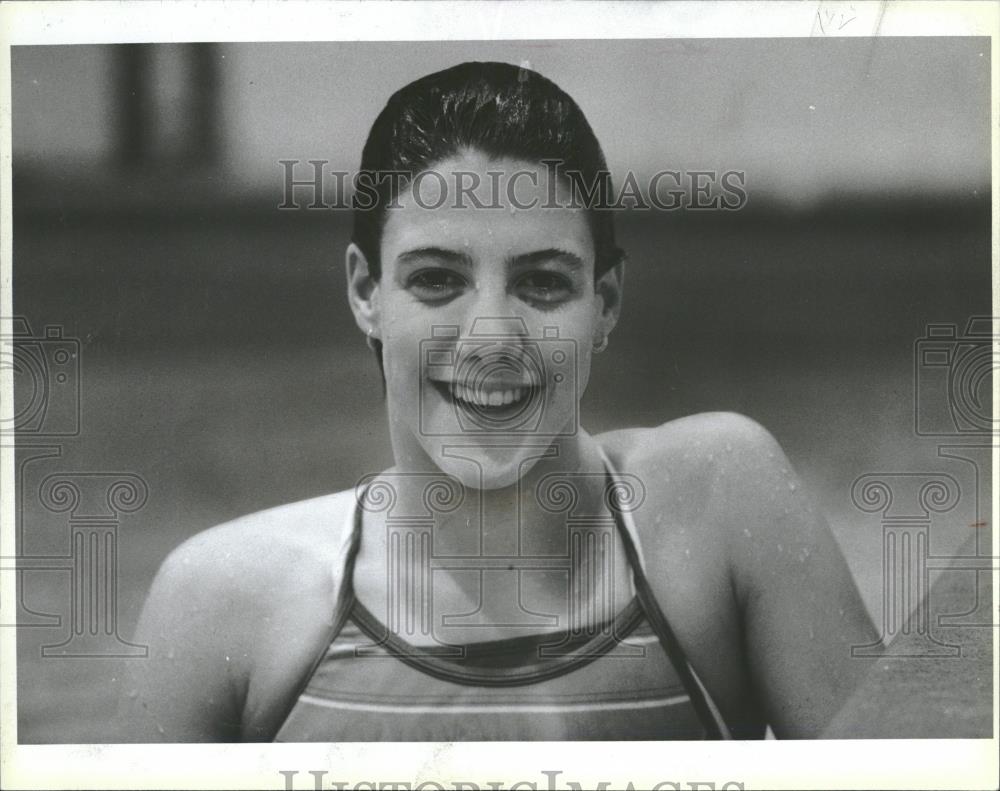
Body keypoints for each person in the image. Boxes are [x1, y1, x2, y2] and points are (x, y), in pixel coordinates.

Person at [119, 61, 879, 742]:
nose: (492, 337)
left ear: (605, 303)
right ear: (365, 292)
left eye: (542, 281)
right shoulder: (223, 606)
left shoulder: (720, 510)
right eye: (437, 279)